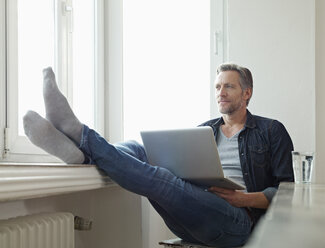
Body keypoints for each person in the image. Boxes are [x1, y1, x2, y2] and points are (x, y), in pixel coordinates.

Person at [23, 63, 294, 248]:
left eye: (229, 87)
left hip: (236, 221)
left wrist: (243, 198)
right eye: (217, 87)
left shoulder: (271, 130)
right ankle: (83, 155)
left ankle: (81, 138)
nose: (220, 93)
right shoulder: (205, 131)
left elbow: (289, 194)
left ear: (247, 93)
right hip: (189, 215)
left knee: (161, 178)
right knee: (138, 147)